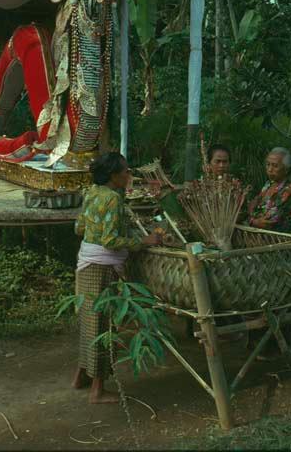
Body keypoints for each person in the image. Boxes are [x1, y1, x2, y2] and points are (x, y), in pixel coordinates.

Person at [73, 152, 162, 403]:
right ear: (114, 176)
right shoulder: (112, 199)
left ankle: (80, 377)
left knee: (88, 321)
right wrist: (142, 241)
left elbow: (79, 227)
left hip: (86, 263)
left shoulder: (91, 192)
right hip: (101, 267)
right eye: (126, 171)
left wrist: (99, 228)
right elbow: (110, 241)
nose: (129, 175)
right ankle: (97, 390)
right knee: (102, 324)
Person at [248, 147, 291, 233]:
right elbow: (252, 205)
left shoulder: (288, 190)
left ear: (286, 169)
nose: (270, 169)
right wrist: (253, 220)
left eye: (275, 166)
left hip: (275, 240)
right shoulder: (268, 184)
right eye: (268, 164)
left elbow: (269, 221)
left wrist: (252, 220)